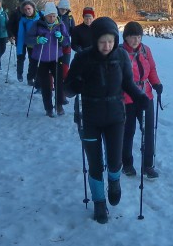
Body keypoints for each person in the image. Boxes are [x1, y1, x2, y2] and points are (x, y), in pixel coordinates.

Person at [63, 16, 149, 224]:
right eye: (102, 41)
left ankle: (114, 182)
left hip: (115, 118)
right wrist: (76, 84)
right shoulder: (82, 59)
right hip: (90, 118)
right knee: (94, 164)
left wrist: (139, 97)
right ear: (95, 40)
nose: (107, 45)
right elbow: (67, 89)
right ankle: (99, 203)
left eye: (110, 41)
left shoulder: (120, 56)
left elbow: (128, 83)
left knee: (114, 161)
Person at [120, 21, 163, 179]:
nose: (136, 40)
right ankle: (127, 163)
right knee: (128, 132)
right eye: (132, 37)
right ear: (126, 37)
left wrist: (156, 83)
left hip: (145, 97)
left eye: (138, 37)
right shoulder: (119, 52)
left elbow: (151, 69)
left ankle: (148, 165)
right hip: (127, 99)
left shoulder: (146, 50)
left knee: (148, 131)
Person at [26, 2, 69, 117]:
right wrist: (37, 40)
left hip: (56, 57)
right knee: (45, 84)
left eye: (54, 16)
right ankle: (48, 108)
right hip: (41, 59)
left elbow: (66, 42)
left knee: (59, 82)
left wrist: (61, 37)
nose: (52, 18)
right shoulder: (37, 24)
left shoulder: (60, 25)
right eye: (49, 16)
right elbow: (28, 39)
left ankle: (58, 105)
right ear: (45, 16)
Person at [14, 0, 40, 84]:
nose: (27, 11)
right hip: (30, 44)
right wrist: (19, 50)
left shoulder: (41, 16)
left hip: (41, 43)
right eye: (25, 10)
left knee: (39, 62)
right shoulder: (23, 21)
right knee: (33, 61)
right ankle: (30, 78)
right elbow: (21, 36)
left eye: (29, 8)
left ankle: (37, 77)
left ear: (33, 8)